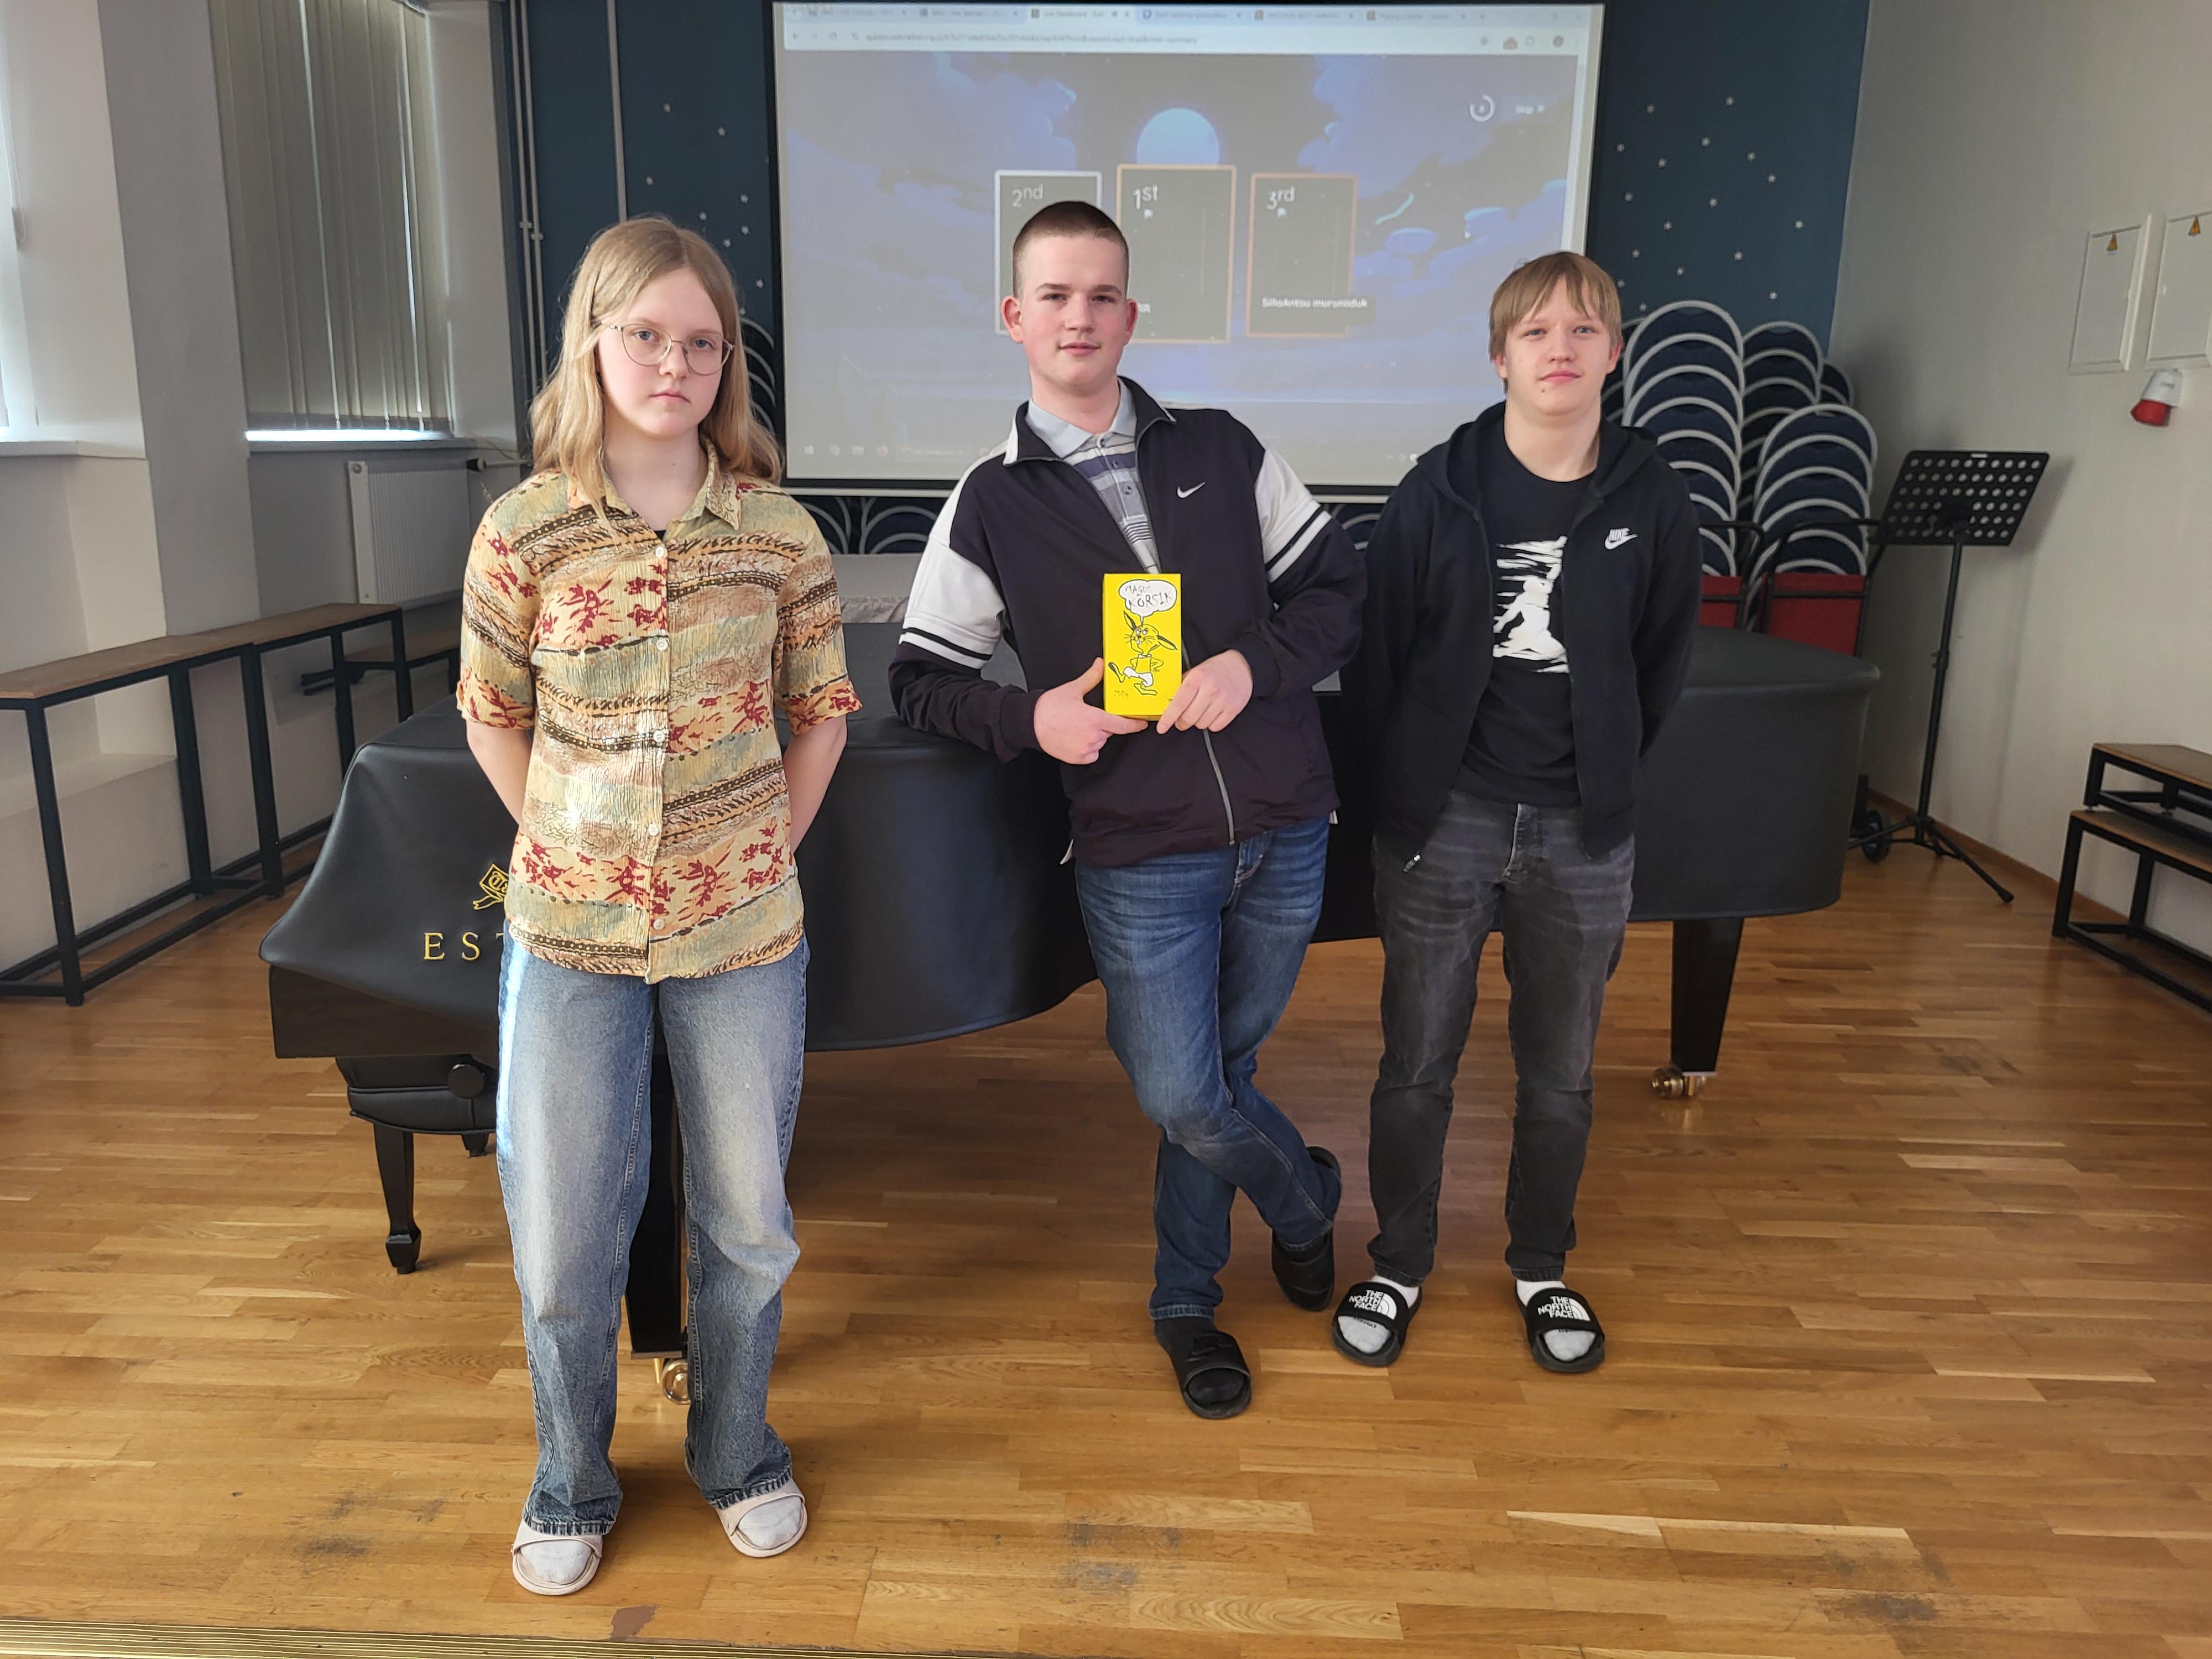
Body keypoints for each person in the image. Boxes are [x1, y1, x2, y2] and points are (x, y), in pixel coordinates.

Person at [890, 201, 1364, 1419]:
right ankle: (1305, 1200)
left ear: (1131, 314)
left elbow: (1336, 592)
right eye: (1055, 295)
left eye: (1102, 295)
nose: (1079, 316)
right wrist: (1030, 719)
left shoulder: (1224, 447)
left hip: (1283, 826)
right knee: (1186, 1094)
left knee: (1225, 1072)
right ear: (1015, 316)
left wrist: (1251, 665)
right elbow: (921, 679)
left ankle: (1184, 1304)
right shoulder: (989, 499)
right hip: (1139, 851)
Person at [457, 217, 859, 1594]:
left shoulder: (778, 536)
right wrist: (567, 844)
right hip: (567, 934)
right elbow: (491, 712)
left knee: (747, 1222)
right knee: (564, 1232)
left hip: (742, 935)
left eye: (702, 341)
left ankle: (734, 1451)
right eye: (647, 335)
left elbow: (820, 715)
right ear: (593, 341)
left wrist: (756, 848)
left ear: (726, 361)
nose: (676, 364)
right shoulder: (523, 530)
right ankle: (570, 1483)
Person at [1336, 252, 1701, 1374]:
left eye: (1583, 329)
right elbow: (1378, 660)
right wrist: (1409, 791)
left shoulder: (1653, 495)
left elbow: (1661, 661)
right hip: (1443, 822)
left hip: (1583, 833)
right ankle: (1398, 1262)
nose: (1559, 348)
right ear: (1499, 356)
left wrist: (1602, 775)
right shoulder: (1432, 490)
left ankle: (1541, 1265)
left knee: (1559, 1073)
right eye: (1536, 331)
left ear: (1614, 353)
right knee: (1415, 1064)